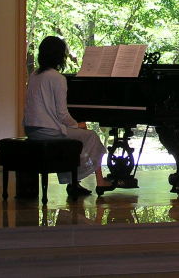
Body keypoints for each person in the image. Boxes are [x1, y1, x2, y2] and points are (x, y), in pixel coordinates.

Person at [23, 36, 115, 196]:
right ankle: (99, 182)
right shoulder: (57, 78)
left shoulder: (34, 75)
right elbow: (62, 114)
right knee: (91, 136)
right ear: (59, 55)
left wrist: (73, 126)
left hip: (31, 130)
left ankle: (73, 182)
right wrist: (76, 125)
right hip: (48, 131)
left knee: (79, 135)